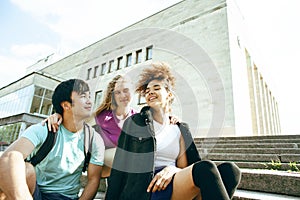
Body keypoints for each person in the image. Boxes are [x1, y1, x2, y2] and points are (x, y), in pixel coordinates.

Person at [105, 62, 241, 200]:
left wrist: (172, 169)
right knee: (205, 168)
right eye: (147, 91)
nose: (150, 92)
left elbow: (184, 167)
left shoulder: (179, 128)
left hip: (174, 180)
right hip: (148, 186)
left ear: (169, 95)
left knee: (231, 170)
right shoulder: (135, 122)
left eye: (156, 88)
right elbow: (119, 166)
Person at [45, 75, 179, 178]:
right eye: (118, 92)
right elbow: (74, 121)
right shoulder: (101, 116)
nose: (123, 96)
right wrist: (57, 115)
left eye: (126, 91)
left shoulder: (138, 118)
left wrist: (171, 119)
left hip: (122, 169)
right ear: (113, 95)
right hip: (102, 163)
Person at [0, 79, 105, 200]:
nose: (90, 101)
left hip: (68, 197)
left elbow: (93, 180)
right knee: (20, 163)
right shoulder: (44, 129)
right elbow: (7, 159)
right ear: (66, 105)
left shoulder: (94, 139)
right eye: (83, 96)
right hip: (35, 193)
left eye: (89, 96)